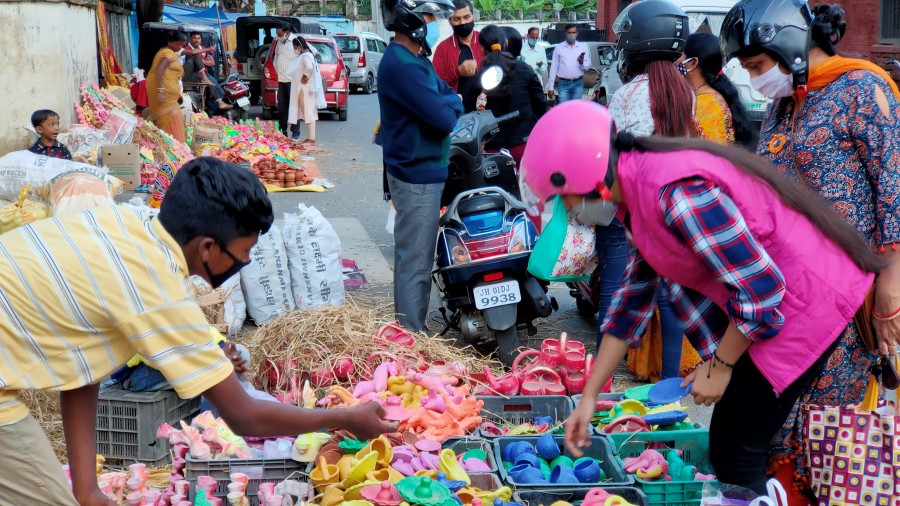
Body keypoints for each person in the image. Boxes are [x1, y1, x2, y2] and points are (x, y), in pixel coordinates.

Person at [519, 100, 881, 498]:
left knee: (737, 451)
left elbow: (761, 291)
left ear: (590, 178)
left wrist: (721, 365)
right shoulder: (637, 197)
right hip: (770, 313)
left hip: (803, 307)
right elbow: (629, 305)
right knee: (734, 444)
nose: (568, 209)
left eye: (564, 197)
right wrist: (589, 397)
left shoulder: (674, 193)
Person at [0, 157, 395, 506]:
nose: (245, 261)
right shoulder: (157, 289)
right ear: (207, 248)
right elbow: (245, 417)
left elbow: (81, 367)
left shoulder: (126, 223)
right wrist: (346, 417)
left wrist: (88, 490)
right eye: (243, 252)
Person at [721, 1, 900, 499]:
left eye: (757, 66)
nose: (755, 80)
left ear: (788, 44)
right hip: (791, 294)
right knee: (779, 417)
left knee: (831, 428)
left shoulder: (864, 89)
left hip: (848, 292)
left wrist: (890, 289)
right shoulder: (786, 102)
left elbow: (895, 189)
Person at [603, 0, 700, 383]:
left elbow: (613, 150)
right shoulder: (682, 89)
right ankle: (671, 379)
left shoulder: (626, 94)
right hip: (675, 201)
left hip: (638, 204)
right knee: (670, 293)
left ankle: (605, 377)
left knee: (624, 289)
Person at [378, 0, 463, 332]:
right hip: (416, 173)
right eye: (430, 18)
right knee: (415, 260)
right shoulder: (404, 66)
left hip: (421, 169)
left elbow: (444, 92)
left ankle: (409, 329)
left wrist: (449, 100)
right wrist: (451, 103)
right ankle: (412, 333)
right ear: (412, 22)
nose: (434, 24)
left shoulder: (414, 59)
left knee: (414, 256)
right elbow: (444, 115)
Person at [466, 24, 545, 164]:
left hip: (493, 150)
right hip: (524, 144)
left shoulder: (480, 77)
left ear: (482, 49)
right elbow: (540, 103)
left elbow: (471, 110)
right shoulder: (525, 69)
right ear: (506, 43)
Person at [678, 32, 757, 147]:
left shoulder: (707, 104)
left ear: (692, 63)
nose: (673, 61)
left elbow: (709, 155)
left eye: (679, 55)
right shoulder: (703, 96)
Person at [433, 0, 484, 94]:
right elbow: (436, 82)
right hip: (455, 105)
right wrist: (457, 71)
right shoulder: (443, 48)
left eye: (466, 17)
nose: (462, 22)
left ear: (473, 16)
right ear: (449, 21)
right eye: (456, 19)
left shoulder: (484, 40)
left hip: (486, 104)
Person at [146, 31, 188, 143]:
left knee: (172, 119)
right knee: (169, 120)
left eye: (182, 45)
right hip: (165, 95)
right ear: (170, 42)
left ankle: (172, 146)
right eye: (178, 44)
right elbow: (159, 70)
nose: (180, 48)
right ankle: (170, 145)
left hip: (170, 95)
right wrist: (160, 91)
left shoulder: (168, 53)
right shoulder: (168, 54)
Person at [182, 32, 233, 116]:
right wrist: (204, 60)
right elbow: (195, 60)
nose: (197, 40)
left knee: (219, 91)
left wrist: (202, 61)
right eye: (194, 38)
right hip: (193, 73)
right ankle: (211, 112)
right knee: (215, 88)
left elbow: (212, 63)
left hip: (205, 72)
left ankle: (211, 111)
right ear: (190, 39)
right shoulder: (187, 49)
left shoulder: (203, 48)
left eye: (198, 38)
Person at [287, 37, 327, 144]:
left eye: (295, 47)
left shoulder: (305, 57)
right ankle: (310, 137)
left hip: (304, 89)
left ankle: (311, 138)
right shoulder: (309, 55)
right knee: (308, 112)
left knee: (308, 112)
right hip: (305, 89)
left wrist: (304, 76)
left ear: (299, 47)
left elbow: (309, 68)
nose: (295, 50)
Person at [547, 24, 591, 103]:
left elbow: (586, 67)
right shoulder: (559, 48)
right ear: (565, 33)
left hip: (578, 83)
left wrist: (581, 62)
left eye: (573, 32)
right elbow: (554, 68)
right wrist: (551, 87)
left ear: (577, 33)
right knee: (564, 109)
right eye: (569, 32)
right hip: (563, 84)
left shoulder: (583, 47)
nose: (571, 35)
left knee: (575, 109)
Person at [272, 23, 300, 138]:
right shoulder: (279, 42)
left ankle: (295, 132)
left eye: (280, 34)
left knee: (293, 107)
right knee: (282, 107)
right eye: (277, 34)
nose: (278, 36)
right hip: (282, 80)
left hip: (292, 80)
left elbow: (311, 52)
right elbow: (277, 55)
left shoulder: (296, 41)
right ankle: (283, 131)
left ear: (287, 33)